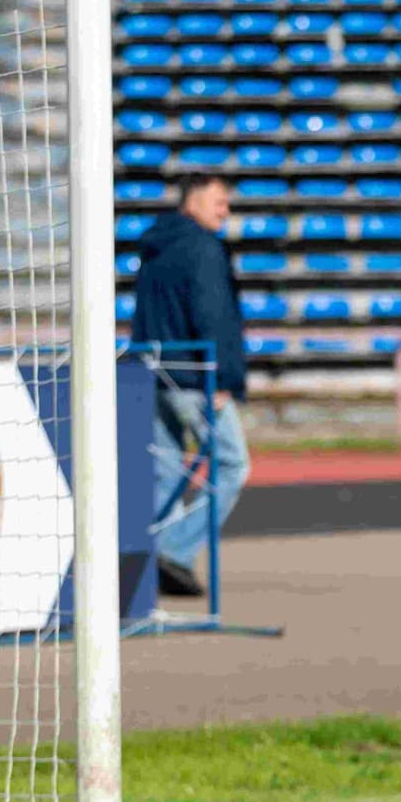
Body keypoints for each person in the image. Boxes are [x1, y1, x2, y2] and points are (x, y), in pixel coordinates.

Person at [131, 173, 251, 598]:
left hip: (155, 373)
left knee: (166, 473)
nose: (225, 211)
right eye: (219, 202)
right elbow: (212, 314)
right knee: (233, 466)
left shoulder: (155, 245)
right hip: (195, 377)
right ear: (193, 201)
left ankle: (153, 565)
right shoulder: (202, 247)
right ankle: (173, 552)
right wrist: (223, 377)